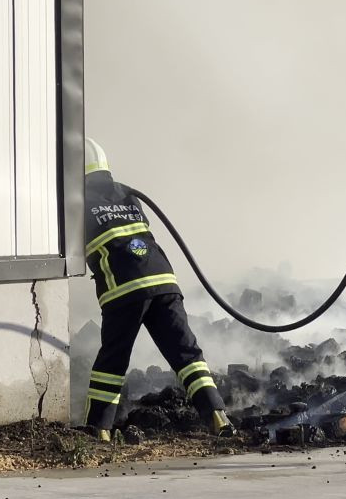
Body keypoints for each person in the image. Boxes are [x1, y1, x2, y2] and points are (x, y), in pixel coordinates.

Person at [82, 139, 233, 440]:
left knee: (112, 361)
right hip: (164, 281)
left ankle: (98, 429)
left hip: (124, 288)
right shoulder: (128, 194)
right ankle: (218, 416)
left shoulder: (75, 200)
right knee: (186, 353)